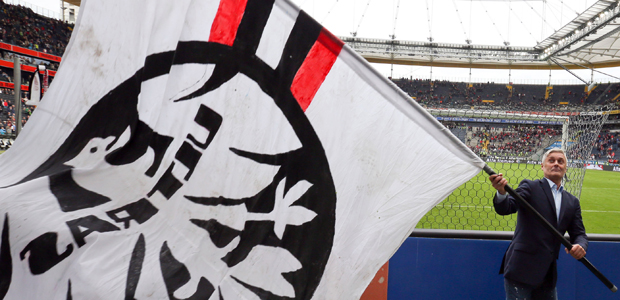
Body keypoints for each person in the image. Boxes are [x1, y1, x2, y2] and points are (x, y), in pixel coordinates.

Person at [489, 148, 588, 300]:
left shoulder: (572, 201)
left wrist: (580, 246)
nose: (556, 164)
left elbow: (579, 234)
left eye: (560, 161)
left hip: (547, 275)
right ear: (543, 166)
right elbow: (507, 207)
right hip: (520, 269)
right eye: (551, 160)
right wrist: (502, 193)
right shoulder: (530, 187)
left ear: (566, 168)